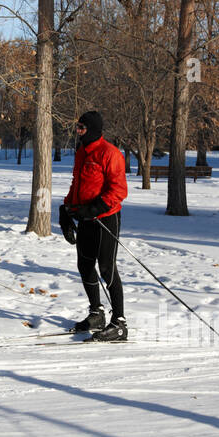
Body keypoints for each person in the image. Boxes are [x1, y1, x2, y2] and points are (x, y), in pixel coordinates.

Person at [61, 111, 130, 341]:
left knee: (107, 268)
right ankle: (96, 313)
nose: (78, 131)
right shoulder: (82, 152)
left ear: (92, 130)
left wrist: (94, 209)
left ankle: (119, 323)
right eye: (77, 127)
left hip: (105, 218)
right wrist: (66, 208)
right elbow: (77, 183)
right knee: (85, 265)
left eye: (82, 128)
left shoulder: (110, 153)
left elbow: (119, 190)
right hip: (85, 218)